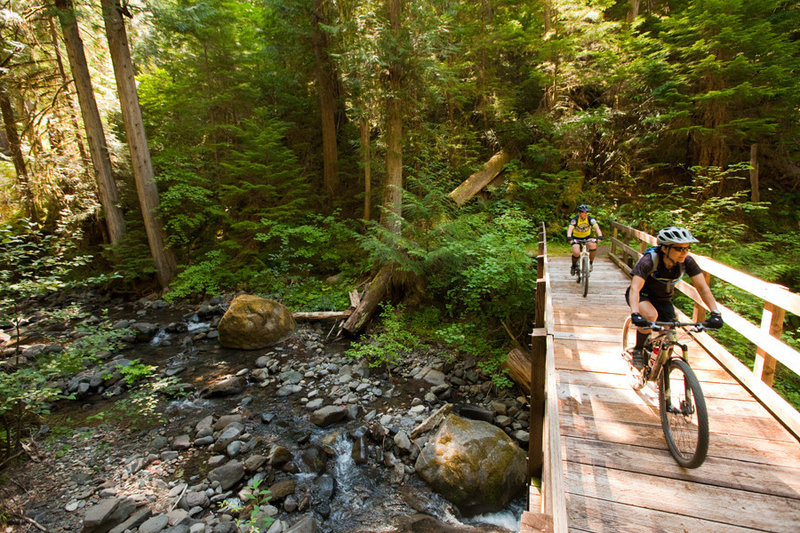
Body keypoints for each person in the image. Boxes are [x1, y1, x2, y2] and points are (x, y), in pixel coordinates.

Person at [625, 226, 724, 369]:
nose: (684, 252)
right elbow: (635, 288)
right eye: (679, 249)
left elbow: (703, 288)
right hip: (642, 296)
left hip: (663, 300)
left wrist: (715, 312)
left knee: (670, 340)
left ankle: (662, 375)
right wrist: (635, 313)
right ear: (665, 248)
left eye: (687, 248)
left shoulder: (687, 262)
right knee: (650, 314)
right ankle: (638, 350)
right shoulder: (649, 260)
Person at [567, 204, 603, 275]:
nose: (586, 214)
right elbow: (570, 229)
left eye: (587, 212)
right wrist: (569, 238)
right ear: (579, 213)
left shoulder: (590, 219)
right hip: (576, 238)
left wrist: (599, 236)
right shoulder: (575, 220)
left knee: (593, 245)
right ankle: (574, 266)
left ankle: (590, 263)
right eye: (584, 212)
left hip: (587, 237)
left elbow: (597, 228)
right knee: (576, 252)